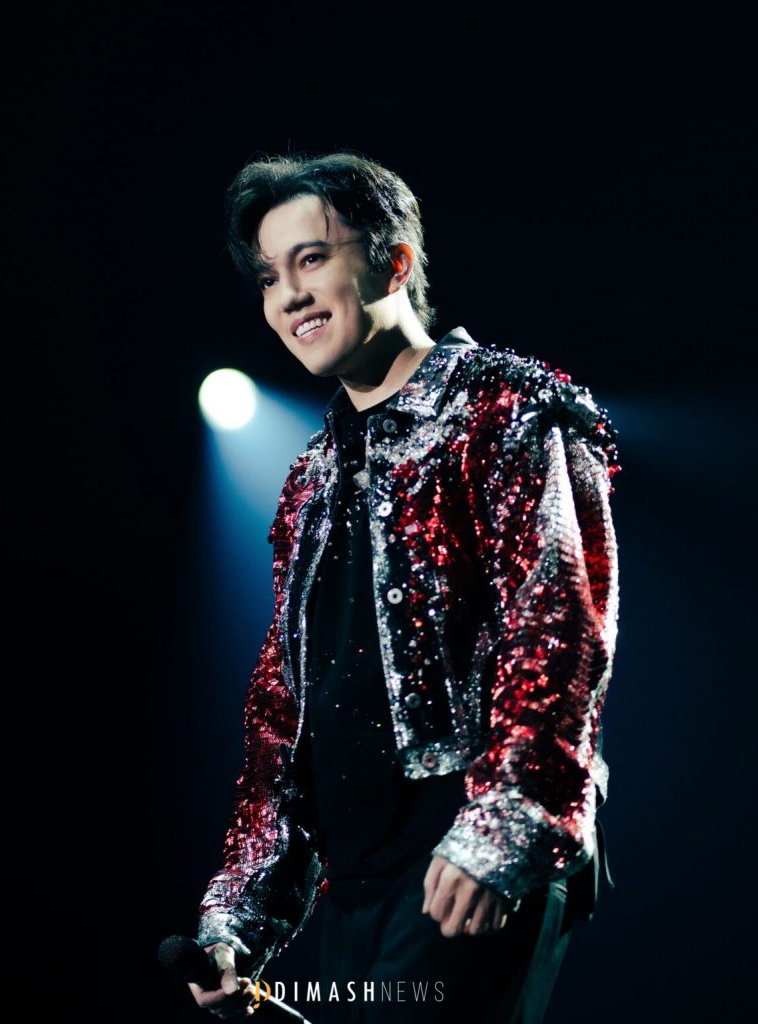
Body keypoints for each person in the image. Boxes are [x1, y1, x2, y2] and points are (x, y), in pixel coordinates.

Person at [188, 152, 621, 1022]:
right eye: (269, 278)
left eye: (311, 259)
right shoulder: (312, 479)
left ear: (393, 261)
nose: (289, 296)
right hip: (356, 875)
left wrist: (501, 828)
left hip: (464, 848)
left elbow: (557, 628)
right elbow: (285, 709)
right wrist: (240, 915)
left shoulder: (503, 409)